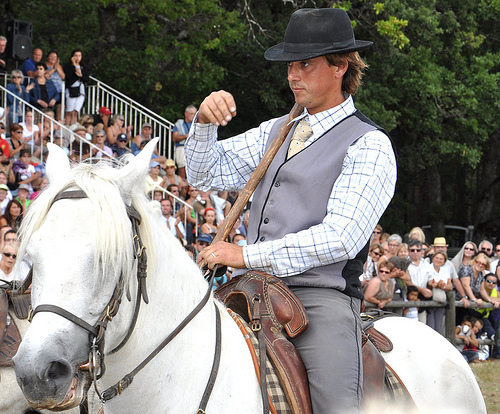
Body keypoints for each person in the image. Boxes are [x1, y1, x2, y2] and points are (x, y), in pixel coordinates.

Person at [186, 8, 397, 413]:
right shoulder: (275, 130)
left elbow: (340, 238)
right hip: (249, 290)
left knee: (337, 406)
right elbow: (202, 172)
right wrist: (205, 123)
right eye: (289, 65)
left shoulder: (369, 144)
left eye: (305, 64)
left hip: (321, 299)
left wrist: (243, 255)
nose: (292, 75)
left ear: (341, 67)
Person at [426, 251, 452, 334]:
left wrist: (441, 285)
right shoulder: (428, 268)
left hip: (441, 299)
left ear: (444, 261)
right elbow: (429, 283)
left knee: (438, 327)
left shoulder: (445, 270)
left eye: (441, 259)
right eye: (437, 258)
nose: (438, 260)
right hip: (431, 298)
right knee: (430, 326)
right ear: (433, 258)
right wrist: (438, 284)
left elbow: (450, 286)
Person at [63, 49, 90, 126]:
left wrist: (80, 76)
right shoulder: (68, 66)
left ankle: (73, 128)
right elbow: (68, 76)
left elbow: (86, 79)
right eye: (76, 55)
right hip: (71, 90)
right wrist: (74, 65)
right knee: (69, 112)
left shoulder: (83, 67)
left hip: (80, 90)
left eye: (79, 56)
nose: (77, 57)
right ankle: (67, 127)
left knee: (75, 112)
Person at [172, 105, 197, 179]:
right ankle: (183, 186)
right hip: (182, 147)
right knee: (182, 168)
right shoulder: (179, 123)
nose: (193, 116)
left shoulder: (197, 124)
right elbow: (174, 138)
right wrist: (186, 136)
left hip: (194, 148)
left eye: (194, 114)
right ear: (186, 114)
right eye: (191, 114)